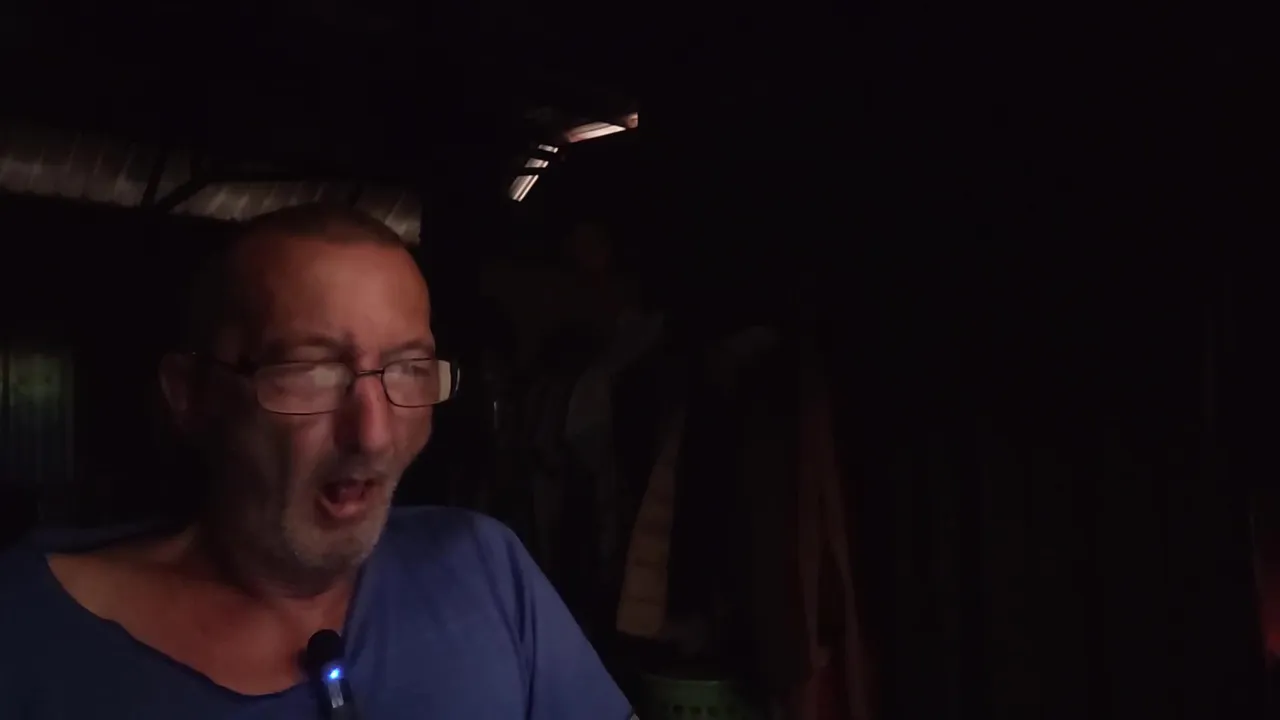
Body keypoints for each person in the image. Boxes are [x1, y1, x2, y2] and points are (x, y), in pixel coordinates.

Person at [0, 204, 633, 719]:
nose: (374, 436)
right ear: (192, 396)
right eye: (311, 372)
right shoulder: (27, 632)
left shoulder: (486, 571)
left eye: (408, 369)